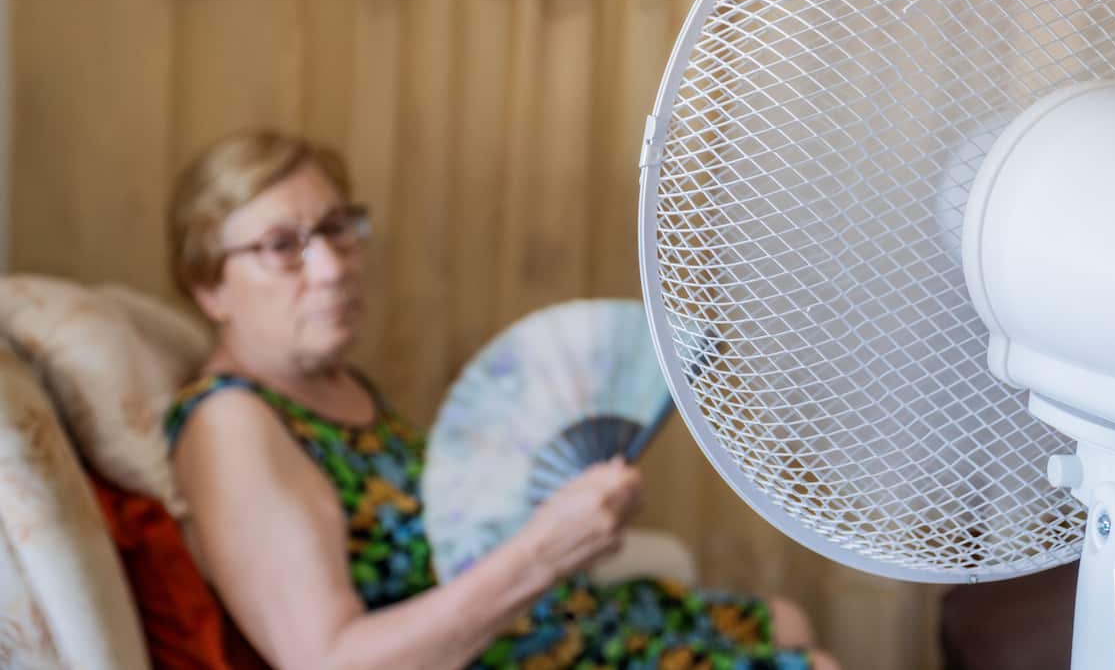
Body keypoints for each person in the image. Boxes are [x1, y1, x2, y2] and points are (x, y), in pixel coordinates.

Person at [166, 130, 839, 670]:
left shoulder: (338, 385)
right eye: (283, 246)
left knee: (788, 618)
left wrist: (558, 519)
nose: (333, 266)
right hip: (491, 651)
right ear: (210, 288)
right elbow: (329, 659)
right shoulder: (230, 421)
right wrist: (544, 549)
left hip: (539, 623)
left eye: (338, 228)